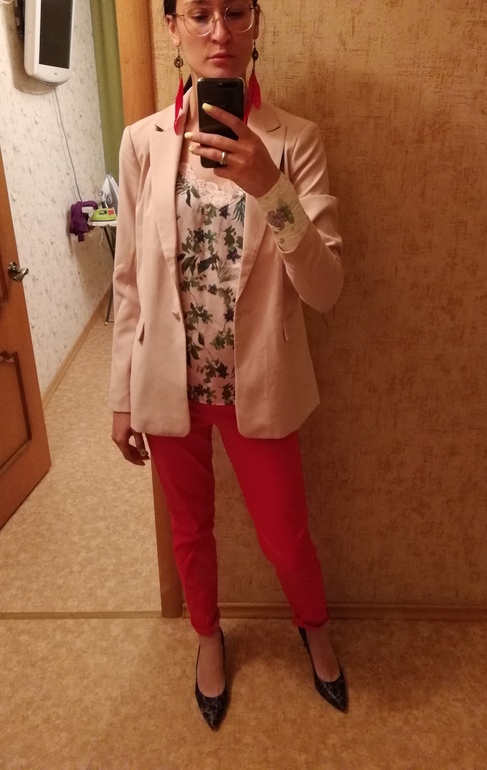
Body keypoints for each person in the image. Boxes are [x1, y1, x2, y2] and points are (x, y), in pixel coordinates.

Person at [110, 0, 346, 730]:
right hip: (167, 383)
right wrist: (120, 397)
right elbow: (128, 282)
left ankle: (314, 626)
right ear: (171, 27)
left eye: (236, 12)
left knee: (284, 537)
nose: (220, 31)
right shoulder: (143, 142)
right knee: (190, 529)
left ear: (256, 22)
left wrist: (270, 188)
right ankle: (207, 636)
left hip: (260, 383)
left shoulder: (294, 141)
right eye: (200, 13)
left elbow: (326, 289)